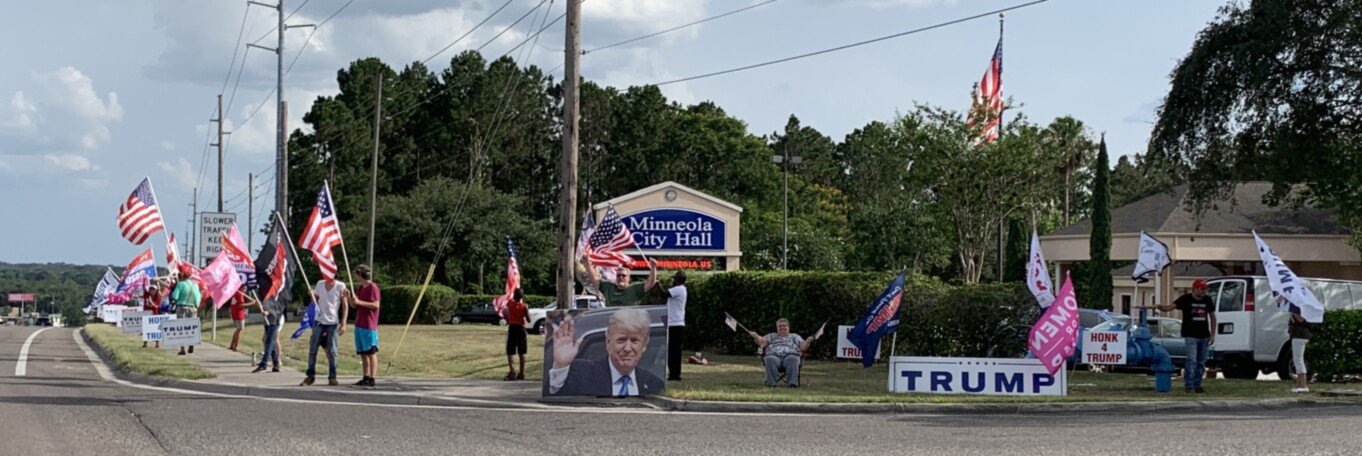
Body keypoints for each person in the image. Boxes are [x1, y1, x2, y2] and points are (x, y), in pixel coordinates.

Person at [547, 307, 663, 397]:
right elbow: (553, 399)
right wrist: (561, 366)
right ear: (608, 341)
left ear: (644, 344)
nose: (627, 348)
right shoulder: (581, 373)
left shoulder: (655, 384)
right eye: (621, 340)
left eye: (634, 341)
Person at [1157, 279, 1217, 393]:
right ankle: (1189, 385)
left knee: (1201, 362)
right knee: (1192, 360)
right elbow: (1170, 307)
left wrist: (1212, 334)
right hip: (1190, 335)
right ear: (1195, 288)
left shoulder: (1207, 300)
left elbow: (1212, 317)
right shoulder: (1186, 299)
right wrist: (1158, 306)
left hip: (1204, 335)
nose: (1204, 291)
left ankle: (1198, 384)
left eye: (1205, 289)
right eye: (1202, 289)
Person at [303, 277, 349, 386]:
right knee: (313, 350)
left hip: (333, 323)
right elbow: (314, 302)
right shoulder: (320, 284)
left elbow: (345, 305)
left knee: (332, 352)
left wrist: (344, 322)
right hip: (319, 321)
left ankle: (332, 377)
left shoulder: (340, 286)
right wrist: (312, 295)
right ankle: (310, 376)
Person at [749, 318, 820, 388]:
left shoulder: (794, 336)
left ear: (788, 327)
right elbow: (762, 342)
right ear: (777, 328)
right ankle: (771, 384)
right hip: (774, 356)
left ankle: (793, 384)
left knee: (793, 358)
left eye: (784, 326)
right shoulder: (772, 336)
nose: (782, 327)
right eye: (780, 326)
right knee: (770, 358)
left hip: (790, 355)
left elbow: (803, 347)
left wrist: (807, 341)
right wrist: (756, 337)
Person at [582, 257, 659, 307]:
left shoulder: (635, 289)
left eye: (623, 275)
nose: (621, 277)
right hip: (613, 323)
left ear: (629, 278)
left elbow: (650, 283)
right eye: (618, 276)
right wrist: (587, 265)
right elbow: (595, 278)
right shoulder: (608, 287)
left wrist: (653, 268)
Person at [350, 264, 382, 387]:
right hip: (359, 323)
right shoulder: (360, 288)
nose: (355, 276)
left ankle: (372, 378)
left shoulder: (373, 287)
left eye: (356, 274)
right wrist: (350, 300)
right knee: (363, 352)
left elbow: (375, 305)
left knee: (371, 352)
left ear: (360, 274)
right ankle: (365, 376)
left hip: (369, 324)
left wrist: (360, 302)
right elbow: (355, 305)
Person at [170, 264, 202, 356]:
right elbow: (198, 298)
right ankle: (191, 344)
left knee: (181, 328)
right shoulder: (195, 285)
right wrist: (196, 305)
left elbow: (175, 296)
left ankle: (182, 349)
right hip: (193, 308)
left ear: (183, 275)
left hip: (182, 307)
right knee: (191, 327)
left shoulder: (180, 284)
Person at [664, 270, 687, 381]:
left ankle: (675, 374)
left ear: (678, 280)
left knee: (674, 351)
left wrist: (657, 283)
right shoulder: (680, 290)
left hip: (676, 323)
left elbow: (663, 294)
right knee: (673, 350)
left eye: (674, 279)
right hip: (674, 323)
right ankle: (673, 373)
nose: (673, 281)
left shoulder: (679, 289)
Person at [253, 294, 285, 374]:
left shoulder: (278, 293)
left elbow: (278, 308)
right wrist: (259, 306)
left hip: (276, 320)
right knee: (270, 342)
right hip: (268, 321)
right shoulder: (265, 294)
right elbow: (264, 308)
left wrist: (268, 312)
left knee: (269, 341)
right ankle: (276, 364)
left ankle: (264, 364)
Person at [504, 288, 529, 381]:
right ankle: (522, 373)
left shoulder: (510, 304)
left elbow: (507, 307)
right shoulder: (524, 306)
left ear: (514, 296)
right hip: (521, 329)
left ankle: (512, 372)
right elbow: (529, 319)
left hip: (512, 328)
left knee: (510, 350)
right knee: (522, 351)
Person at [1288, 306, 1312, 393]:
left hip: (1300, 335)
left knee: (1298, 360)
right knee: (1297, 359)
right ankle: (1299, 384)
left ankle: (1303, 385)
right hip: (1298, 335)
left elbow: (1301, 320)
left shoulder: (1299, 309)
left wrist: (1294, 313)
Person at [227, 287, 257, 352]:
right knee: (239, 330)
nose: (245, 290)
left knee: (237, 330)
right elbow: (241, 305)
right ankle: (236, 346)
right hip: (239, 314)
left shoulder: (235, 294)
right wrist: (252, 303)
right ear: (241, 288)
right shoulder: (240, 295)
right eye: (244, 288)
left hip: (234, 313)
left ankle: (232, 345)